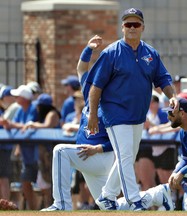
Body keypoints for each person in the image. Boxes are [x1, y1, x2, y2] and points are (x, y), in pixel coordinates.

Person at [87, 8, 178, 211]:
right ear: (122, 27)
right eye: (128, 24)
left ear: (142, 27)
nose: (131, 28)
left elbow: (162, 79)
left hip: (138, 115)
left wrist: (172, 96)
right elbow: (96, 86)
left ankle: (107, 196)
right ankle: (134, 200)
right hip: (115, 112)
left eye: (135, 24)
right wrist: (93, 114)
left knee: (125, 156)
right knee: (127, 156)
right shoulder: (111, 52)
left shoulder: (150, 53)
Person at [40, 35, 115, 211]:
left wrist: (97, 149)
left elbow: (122, 141)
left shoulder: (113, 104)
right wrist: (89, 49)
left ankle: (62, 205)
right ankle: (158, 195)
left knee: (60, 151)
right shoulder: (90, 92)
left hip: (101, 156)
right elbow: (81, 68)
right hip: (88, 158)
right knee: (111, 207)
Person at [0, 85, 39, 210]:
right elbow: (14, 125)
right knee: (25, 183)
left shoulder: (33, 108)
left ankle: (44, 209)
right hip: (26, 154)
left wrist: (12, 124)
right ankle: (33, 210)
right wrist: (11, 124)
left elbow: (27, 126)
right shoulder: (20, 110)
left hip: (38, 154)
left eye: (18, 96)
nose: (15, 98)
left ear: (25, 98)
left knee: (43, 186)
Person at [22, 93, 61, 208]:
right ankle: (46, 205)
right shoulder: (42, 115)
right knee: (43, 183)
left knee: (49, 183)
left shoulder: (52, 113)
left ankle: (51, 205)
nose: (38, 108)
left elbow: (47, 125)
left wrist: (32, 124)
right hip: (44, 154)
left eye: (40, 106)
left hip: (51, 153)